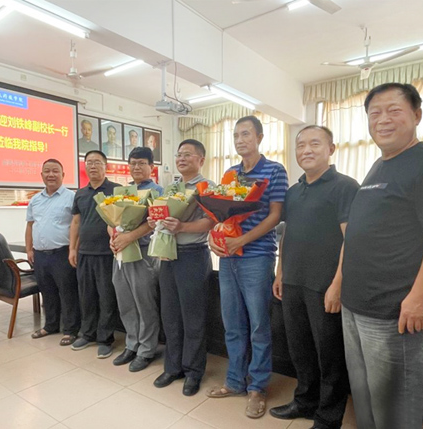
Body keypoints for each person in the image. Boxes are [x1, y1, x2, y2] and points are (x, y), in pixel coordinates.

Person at [331, 83, 423, 428]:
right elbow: (360, 233)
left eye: (394, 110)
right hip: (356, 305)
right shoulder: (379, 165)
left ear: (416, 115)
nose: (383, 119)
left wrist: (419, 298)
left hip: (392, 309)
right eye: (374, 113)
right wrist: (340, 284)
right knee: (365, 400)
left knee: (394, 411)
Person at [271, 126, 358, 429]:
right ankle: (304, 402)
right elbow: (288, 233)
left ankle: (328, 417)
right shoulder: (293, 192)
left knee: (329, 355)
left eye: (315, 144)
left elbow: (352, 239)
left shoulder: (345, 187)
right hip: (293, 282)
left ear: (331, 149)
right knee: (300, 350)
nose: (306, 150)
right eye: (301, 145)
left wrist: (338, 284)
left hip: (324, 286)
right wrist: (280, 271)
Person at [206, 116, 288, 419]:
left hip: (257, 257)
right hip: (228, 257)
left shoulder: (275, 171)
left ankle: (258, 387)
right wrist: (215, 239)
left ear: (259, 137)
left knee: (258, 326)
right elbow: (221, 215)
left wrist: (241, 240)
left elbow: (275, 216)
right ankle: (234, 381)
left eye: (246, 134)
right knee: (232, 323)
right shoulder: (230, 173)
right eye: (236, 135)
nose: (240, 140)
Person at [150, 139, 215, 396]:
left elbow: (211, 221)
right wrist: (155, 220)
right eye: (179, 154)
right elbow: (163, 218)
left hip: (193, 255)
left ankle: (193, 371)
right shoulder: (172, 187)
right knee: (171, 315)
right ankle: (172, 367)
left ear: (201, 159)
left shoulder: (207, 188)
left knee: (193, 318)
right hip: (168, 255)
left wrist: (182, 227)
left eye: (188, 154)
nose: (181, 158)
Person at [110, 147, 163, 372]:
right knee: (126, 302)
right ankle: (132, 344)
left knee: (144, 303)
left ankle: (146, 349)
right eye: (132, 163)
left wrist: (129, 237)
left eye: (141, 163)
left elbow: (154, 224)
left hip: (143, 253)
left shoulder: (157, 192)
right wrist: (113, 237)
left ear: (151, 167)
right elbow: (111, 219)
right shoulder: (124, 190)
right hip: (121, 253)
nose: (136, 167)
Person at [69, 150, 121, 358]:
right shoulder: (80, 193)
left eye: (97, 162)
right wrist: (72, 248)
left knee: (106, 297)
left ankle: (105, 338)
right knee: (86, 296)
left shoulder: (116, 190)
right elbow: (76, 222)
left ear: (105, 166)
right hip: (84, 252)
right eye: (89, 162)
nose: (92, 166)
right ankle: (87, 333)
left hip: (106, 253)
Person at [25, 159, 81, 346]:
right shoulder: (35, 200)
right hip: (40, 254)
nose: (51, 175)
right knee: (47, 291)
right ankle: (50, 325)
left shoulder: (71, 197)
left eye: (55, 171)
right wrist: (29, 249)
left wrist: (74, 249)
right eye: (47, 171)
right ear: (41, 175)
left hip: (63, 253)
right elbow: (30, 225)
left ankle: (71, 330)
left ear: (63, 175)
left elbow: (77, 225)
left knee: (68, 292)